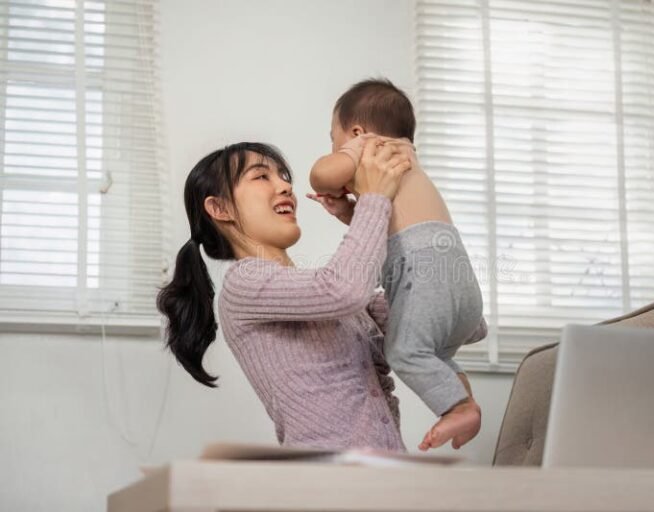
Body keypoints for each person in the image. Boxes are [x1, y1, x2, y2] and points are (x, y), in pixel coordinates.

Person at [157, 139, 412, 450]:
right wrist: (373, 202)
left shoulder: (338, 301)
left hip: (387, 477)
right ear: (219, 208)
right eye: (261, 176)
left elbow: (451, 322)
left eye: (284, 176)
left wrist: (392, 224)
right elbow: (343, 289)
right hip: (327, 483)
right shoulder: (244, 283)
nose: (284, 186)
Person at [309, 79, 487, 451]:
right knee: (428, 352)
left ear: (357, 132)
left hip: (424, 277)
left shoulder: (368, 146)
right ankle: (458, 390)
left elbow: (322, 175)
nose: (334, 148)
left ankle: (457, 406)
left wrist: (330, 170)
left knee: (403, 351)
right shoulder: (406, 156)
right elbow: (389, 228)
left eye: (333, 138)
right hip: (459, 286)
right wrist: (349, 212)